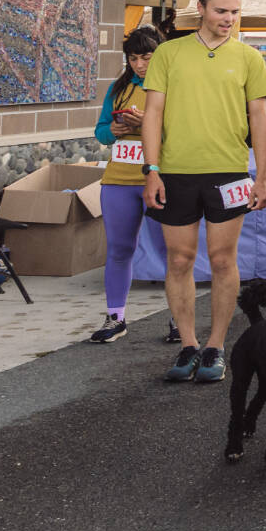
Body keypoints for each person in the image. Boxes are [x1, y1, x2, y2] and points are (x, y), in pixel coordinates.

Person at [140, 0, 266, 383]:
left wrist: (261, 177)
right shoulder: (169, 53)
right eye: (221, 11)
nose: (228, 19)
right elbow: (153, 114)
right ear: (201, 8)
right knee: (179, 260)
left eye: (234, 11)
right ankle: (188, 344)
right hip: (176, 172)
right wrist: (152, 169)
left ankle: (216, 346)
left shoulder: (249, 57)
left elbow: (259, 118)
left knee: (221, 260)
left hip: (228, 172)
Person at [88, 25, 163, 344]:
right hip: (118, 179)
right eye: (133, 58)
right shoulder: (119, 87)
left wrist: (145, 121)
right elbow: (100, 131)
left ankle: (177, 319)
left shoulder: (173, 85)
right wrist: (114, 131)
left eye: (146, 57)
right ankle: (115, 317)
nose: (140, 65)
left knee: (171, 252)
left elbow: (180, 131)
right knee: (119, 249)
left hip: (160, 178)